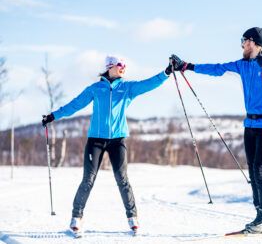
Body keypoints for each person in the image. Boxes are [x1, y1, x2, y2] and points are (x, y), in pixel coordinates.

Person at [170, 27, 262, 233]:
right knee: (253, 169)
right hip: (250, 124)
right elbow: (216, 69)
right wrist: (186, 66)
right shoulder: (242, 65)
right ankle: (259, 215)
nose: (241, 45)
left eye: (243, 41)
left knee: (260, 170)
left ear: (252, 42)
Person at [42, 55, 176, 235]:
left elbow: (149, 84)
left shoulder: (127, 88)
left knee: (122, 179)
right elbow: (75, 104)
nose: (124, 68)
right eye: (120, 64)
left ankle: (132, 218)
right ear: (110, 67)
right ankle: (76, 218)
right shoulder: (96, 89)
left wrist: (167, 72)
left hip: (117, 141)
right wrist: (53, 116)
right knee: (88, 179)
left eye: (125, 65)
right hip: (95, 140)